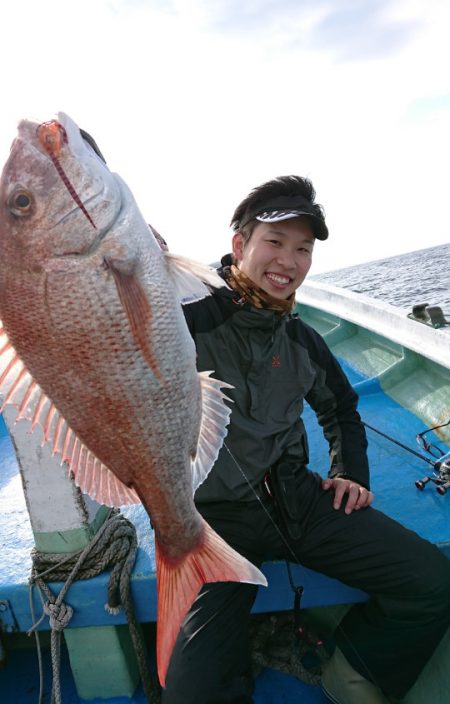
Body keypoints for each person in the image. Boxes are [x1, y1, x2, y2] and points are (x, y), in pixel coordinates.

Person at [161, 175, 450, 704]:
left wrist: (349, 473)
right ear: (240, 246)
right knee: (189, 693)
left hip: (295, 498)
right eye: (274, 243)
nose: (288, 261)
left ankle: (352, 673)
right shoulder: (183, 323)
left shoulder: (301, 338)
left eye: (303, 249)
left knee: (432, 581)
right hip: (215, 523)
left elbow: (340, 406)